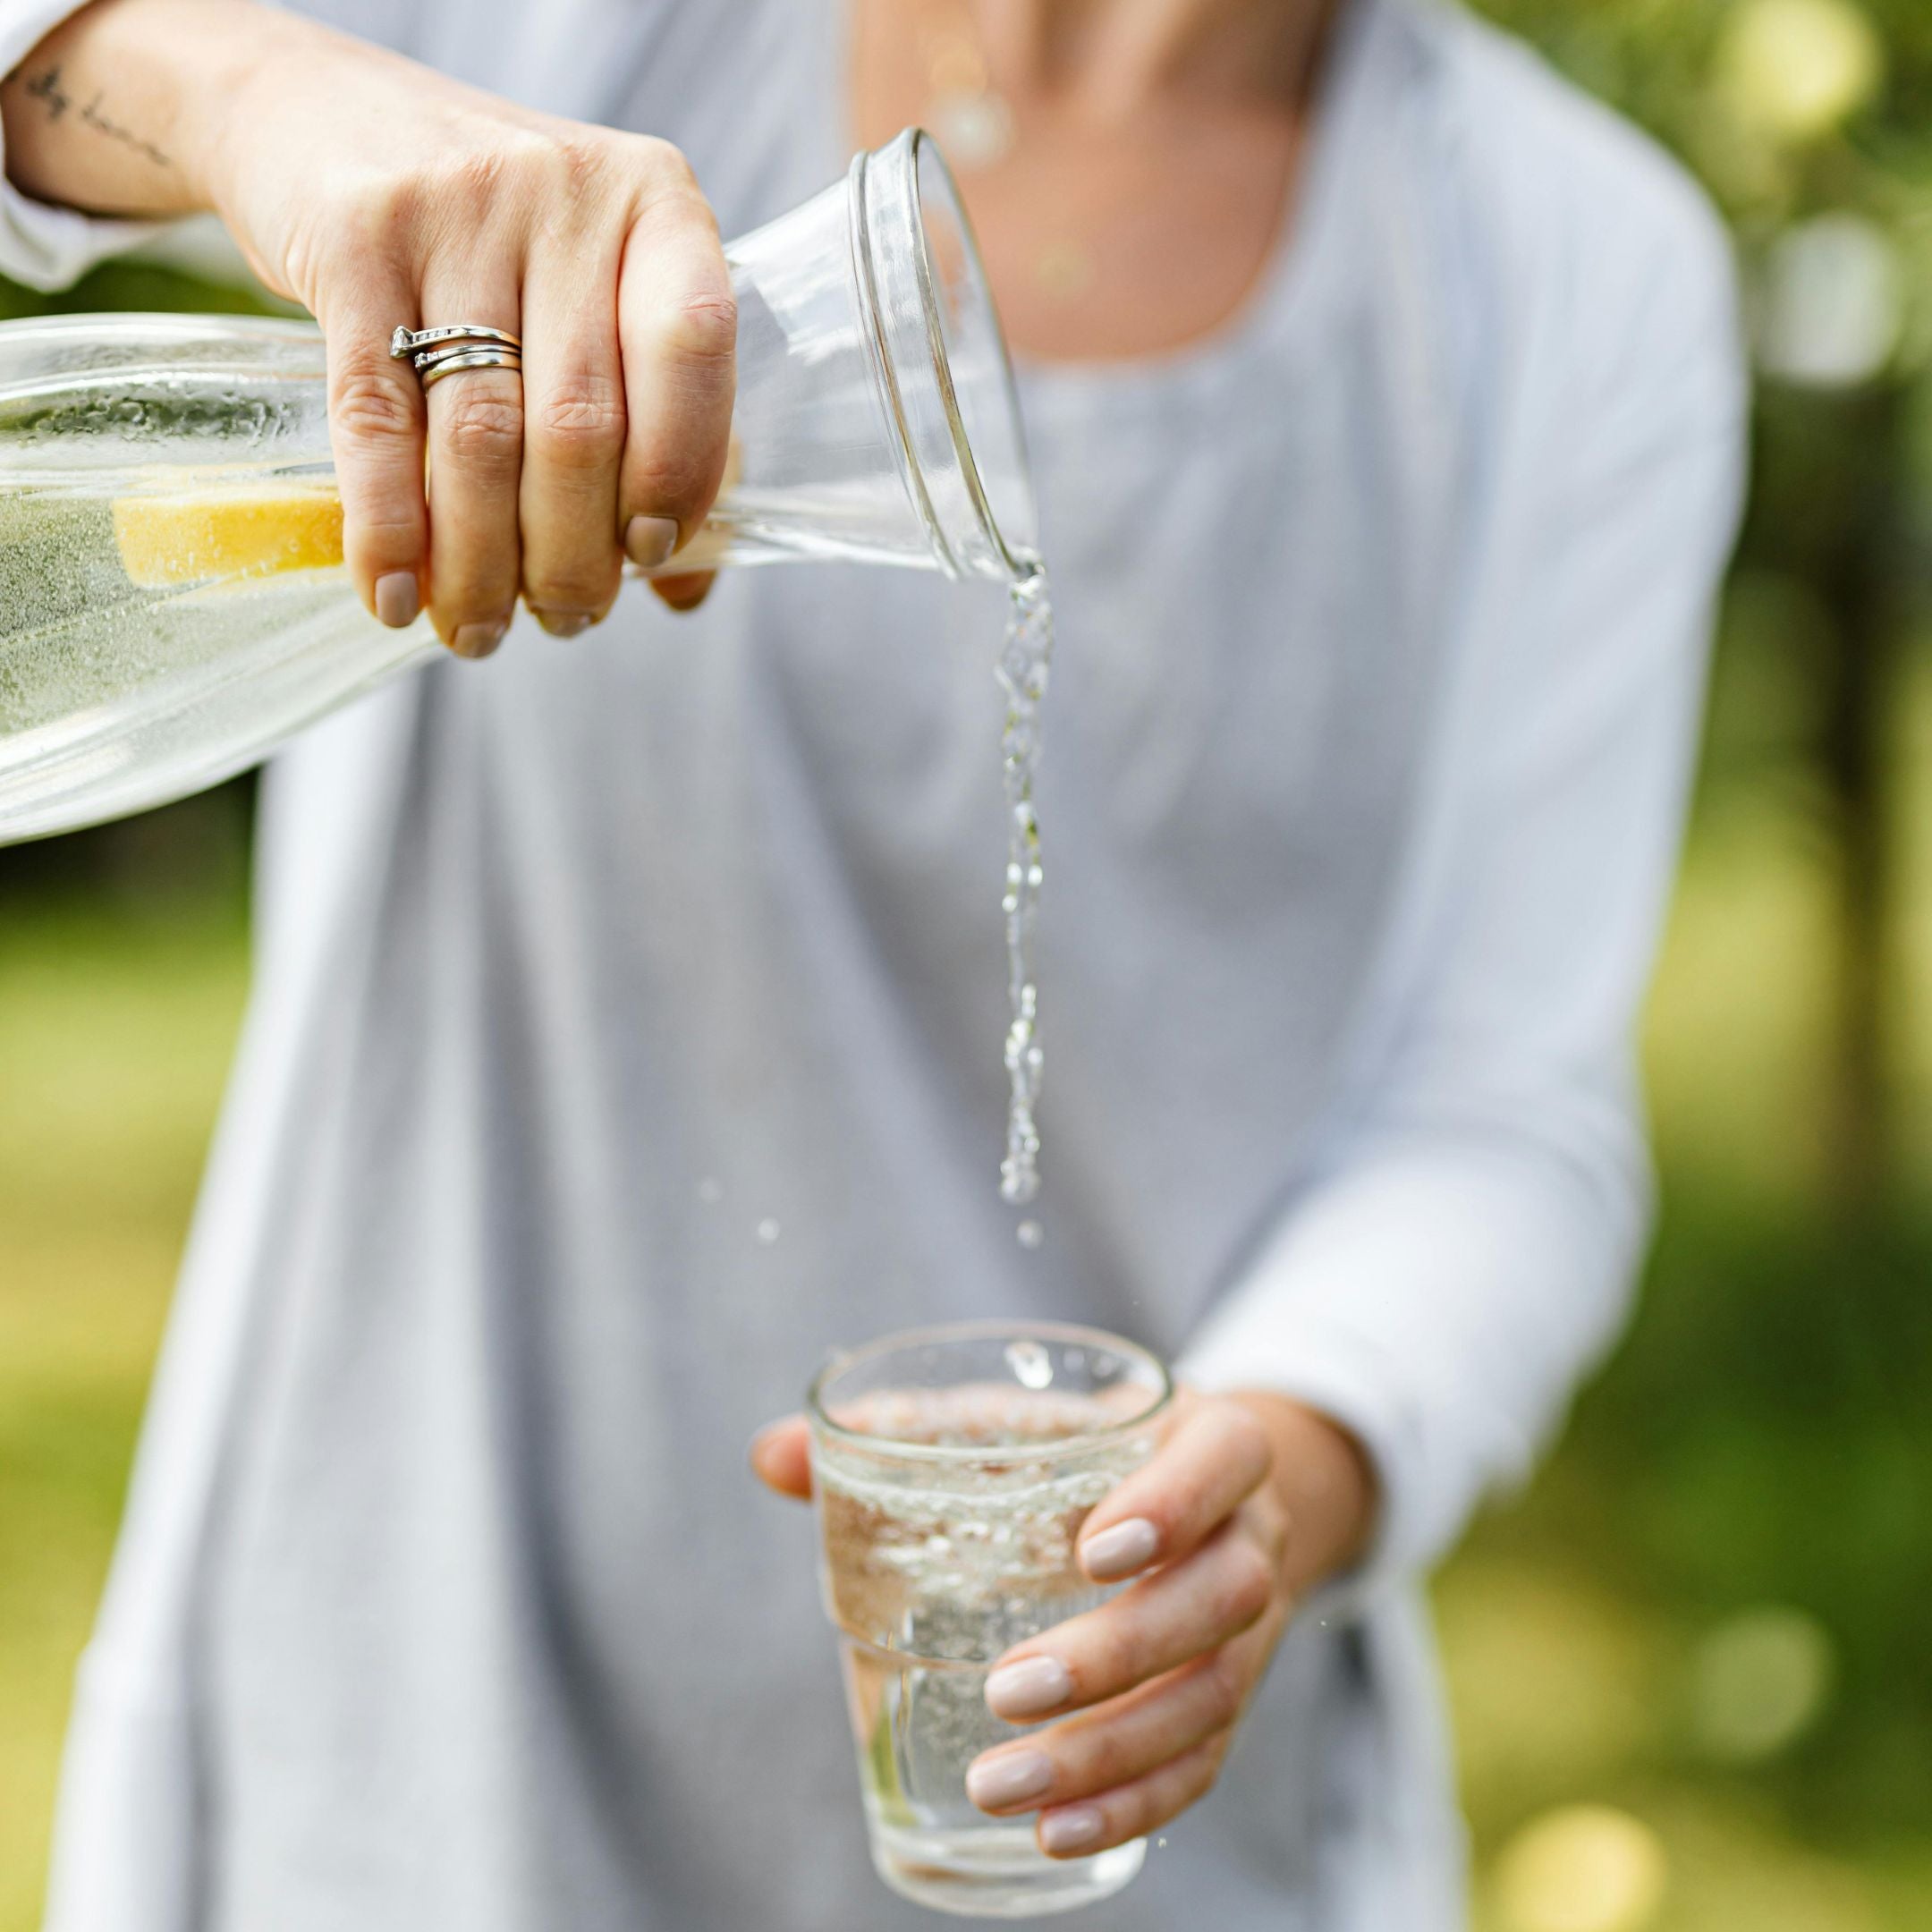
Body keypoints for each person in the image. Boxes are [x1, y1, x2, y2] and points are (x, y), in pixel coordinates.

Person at [0, 0, 1745, 1927]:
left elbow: (1493, 1115)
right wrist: (257, 87)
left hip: (1096, 1775)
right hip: (413, 1707)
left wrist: (1273, 1478)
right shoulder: (573, 31)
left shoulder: (1575, 269)